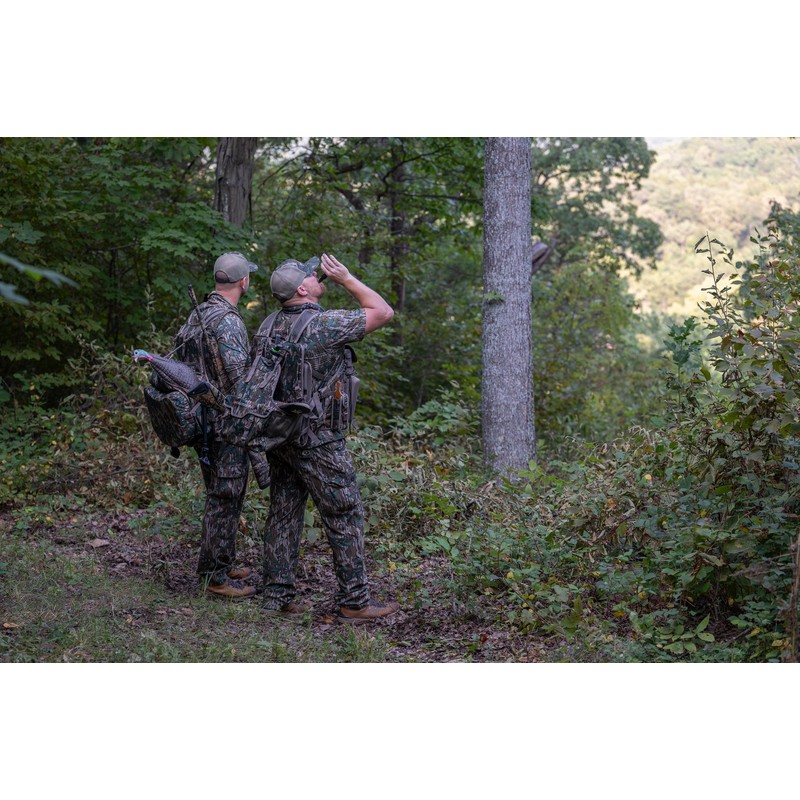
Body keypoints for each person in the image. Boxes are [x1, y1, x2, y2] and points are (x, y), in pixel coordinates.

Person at [261, 252, 400, 620]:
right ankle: (355, 601)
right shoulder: (324, 325)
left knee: (283, 511)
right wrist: (346, 279)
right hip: (318, 437)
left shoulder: (268, 325)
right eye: (311, 276)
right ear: (303, 290)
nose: (317, 277)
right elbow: (383, 312)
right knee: (344, 511)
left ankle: (276, 595)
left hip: (279, 434)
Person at [173, 252, 258, 599]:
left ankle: (223, 560)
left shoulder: (199, 314)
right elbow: (239, 379)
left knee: (221, 492)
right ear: (244, 281)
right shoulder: (228, 321)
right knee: (226, 496)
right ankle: (215, 577)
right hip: (224, 422)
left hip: (200, 419)